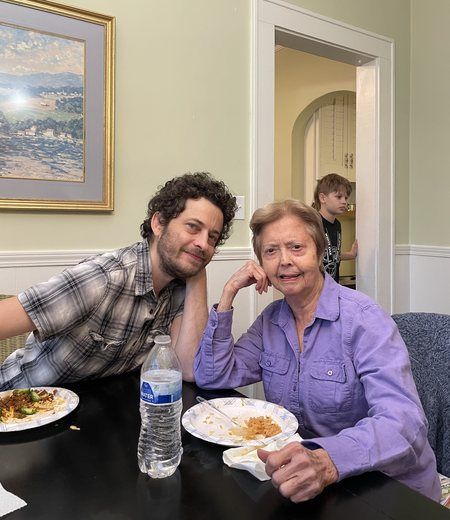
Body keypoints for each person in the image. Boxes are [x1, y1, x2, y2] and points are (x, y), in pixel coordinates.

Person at [194, 200, 440, 503]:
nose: (284, 261)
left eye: (296, 247)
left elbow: (405, 423)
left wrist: (327, 459)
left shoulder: (364, 319)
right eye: (271, 251)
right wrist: (227, 296)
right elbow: (212, 376)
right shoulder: (270, 321)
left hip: (388, 488)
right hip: (313, 484)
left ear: (320, 252)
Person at [0, 172, 237, 389]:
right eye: (193, 227)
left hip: (93, 407)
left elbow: (187, 369)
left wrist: (198, 274)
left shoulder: (179, 288)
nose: (203, 243)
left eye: (212, 238)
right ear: (158, 223)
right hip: (18, 399)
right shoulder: (102, 278)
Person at [312, 173, 358, 283]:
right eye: (338, 197)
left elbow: (331, 255)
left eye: (345, 198)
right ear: (323, 198)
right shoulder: (313, 223)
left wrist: (350, 254)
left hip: (332, 286)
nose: (344, 202)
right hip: (315, 287)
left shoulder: (337, 224)